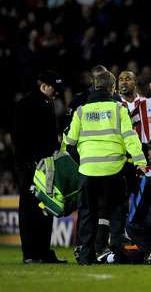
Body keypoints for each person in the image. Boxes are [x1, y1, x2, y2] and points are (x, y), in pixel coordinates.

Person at [65, 71, 147, 265]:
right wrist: (140, 161)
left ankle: (85, 256)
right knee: (117, 211)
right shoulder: (119, 109)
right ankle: (116, 253)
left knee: (87, 214)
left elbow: (70, 143)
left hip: (88, 171)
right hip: (113, 169)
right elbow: (130, 137)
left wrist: (84, 160)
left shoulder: (81, 111)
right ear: (112, 89)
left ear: (94, 87)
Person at [12, 70, 66, 264]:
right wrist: (29, 162)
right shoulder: (26, 104)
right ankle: (31, 254)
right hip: (30, 166)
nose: (57, 93)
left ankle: (43, 252)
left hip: (45, 164)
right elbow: (18, 137)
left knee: (45, 207)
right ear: (44, 86)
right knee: (29, 209)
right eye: (55, 89)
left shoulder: (45, 102)